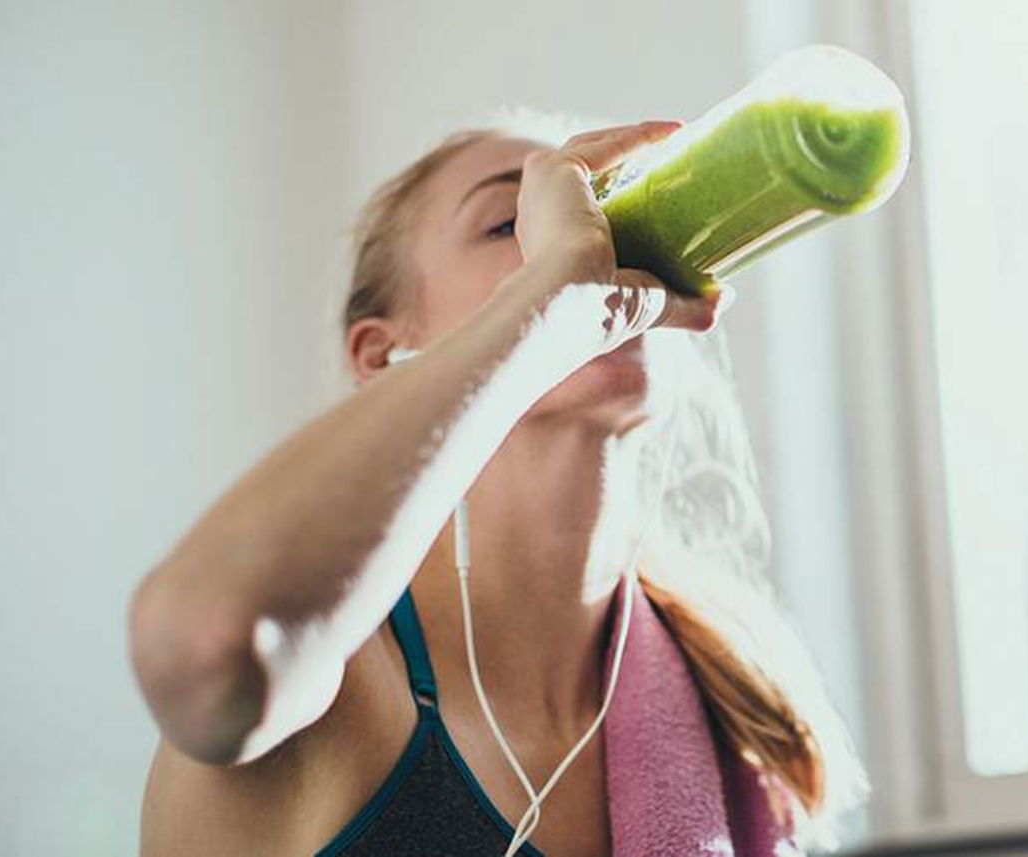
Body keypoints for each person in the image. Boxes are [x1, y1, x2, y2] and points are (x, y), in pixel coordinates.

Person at [128, 117, 864, 856]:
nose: (594, 246)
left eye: (605, 212)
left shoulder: (739, 717)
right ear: (383, 355)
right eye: (512, 222)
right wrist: (549, 309)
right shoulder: (336, 690)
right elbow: (202, 640)